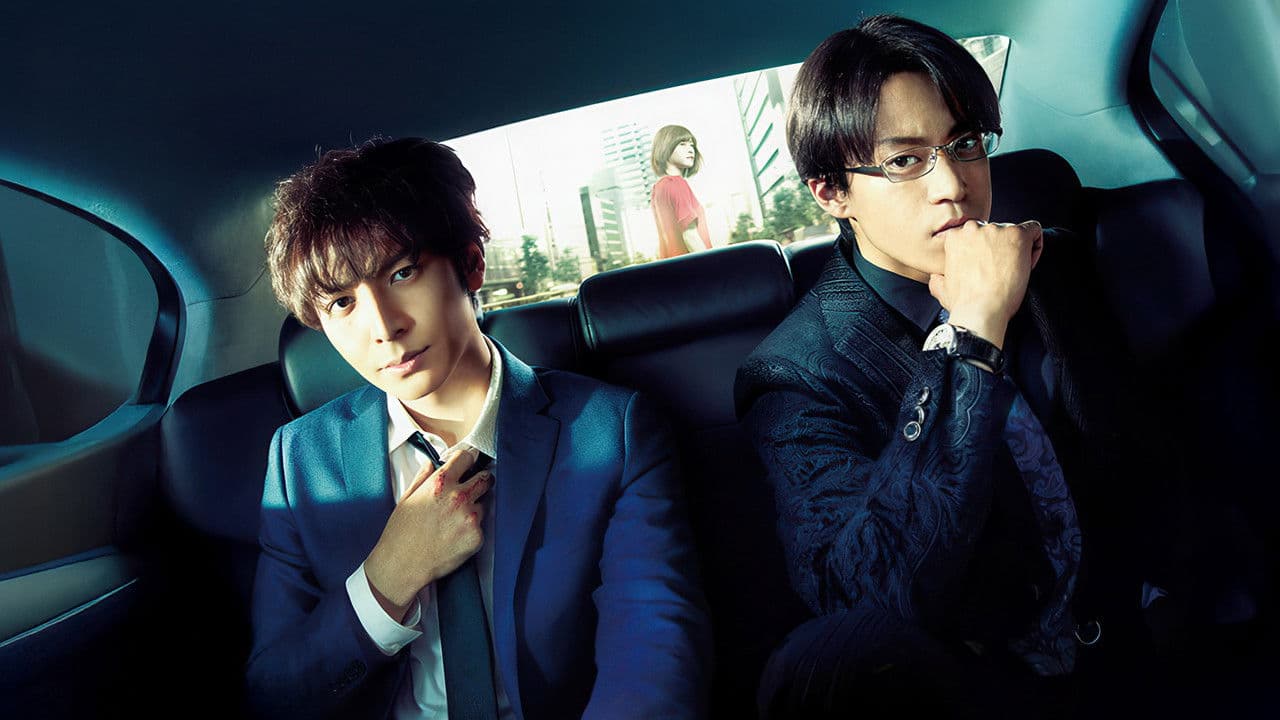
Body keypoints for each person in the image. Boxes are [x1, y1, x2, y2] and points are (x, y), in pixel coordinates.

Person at [734, 15, 1187, 718]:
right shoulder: (794, 375)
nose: (954, 183)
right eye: (904, 161)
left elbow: (1139, 453)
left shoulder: (1052, 264)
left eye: (966, 143)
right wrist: (974, 333)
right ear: (831, 192)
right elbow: (872, 596)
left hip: (1144, 642)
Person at [246, 137, 710, 719]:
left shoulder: (610, 433)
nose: (383, 327)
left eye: (402, 273)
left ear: (470, 263)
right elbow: (276, 696)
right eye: (342, 303)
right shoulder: (299, 462)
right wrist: (388, 577)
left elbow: (654, 659)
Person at [650, 125, 713, 258]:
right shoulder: (677, 184)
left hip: (674, 267)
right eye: (682, 144)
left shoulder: (658, 189)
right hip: (696, 266)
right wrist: (712, 264)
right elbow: (690, 236)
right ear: (665, 148)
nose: (690, 150)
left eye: (691, 145)